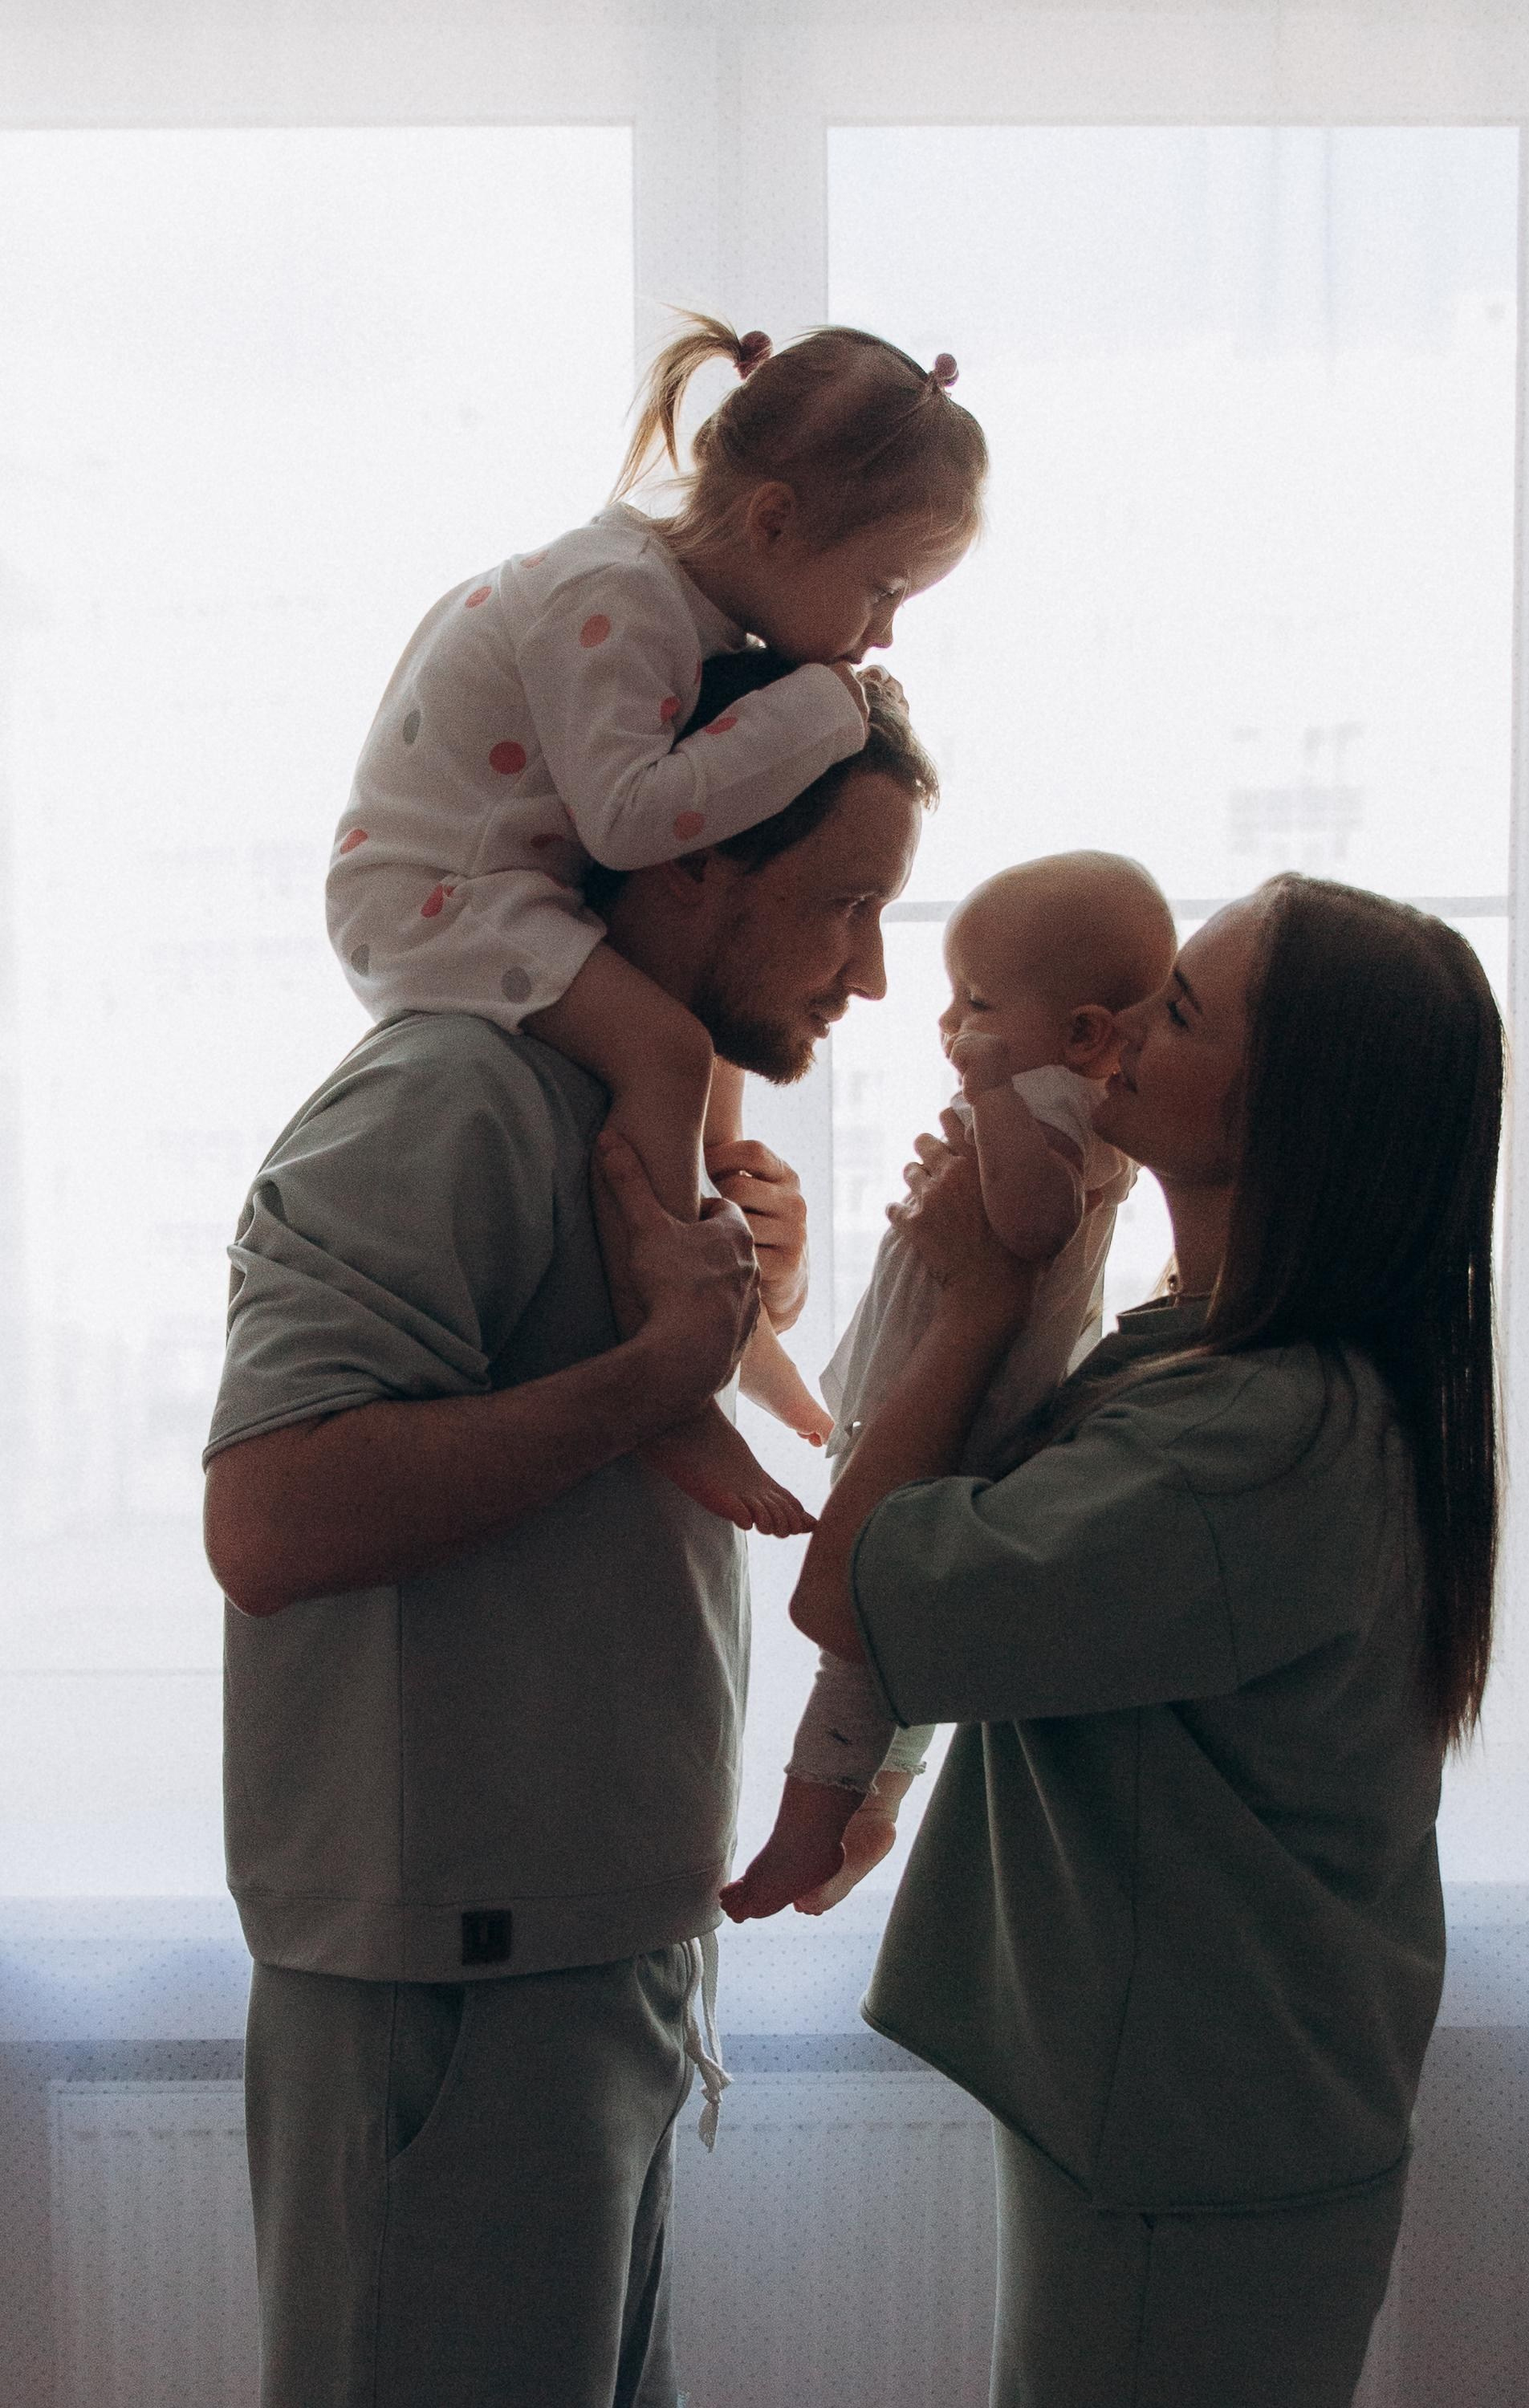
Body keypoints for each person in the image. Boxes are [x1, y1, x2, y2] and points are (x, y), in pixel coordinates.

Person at [201, 673, 937, 2408]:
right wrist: (647, 1382)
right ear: (685, 864)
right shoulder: (447, 1096)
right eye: (844, 905)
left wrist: (733, 1327)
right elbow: (270, 1515)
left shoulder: (628, 1131)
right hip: (453, 1995)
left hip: (578, 1965)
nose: (871, 972)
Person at [765, 874, 1502, 2408]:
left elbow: (859, 1588)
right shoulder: (1218, 1366)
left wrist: (977, 1299)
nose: (1116, 1036)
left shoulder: (1257, 1440)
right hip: (1199, 2122)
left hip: (1198, 2148)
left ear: (1284, 1109)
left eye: (1177, 1009)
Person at [326, 311, 986, 1531]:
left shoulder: (685, 613)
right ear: (776, 520)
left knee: (688, 1041)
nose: (884, 634)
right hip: (441, 894)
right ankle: (684, 1379)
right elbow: (636, 824)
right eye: (883, 589)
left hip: (501, 883)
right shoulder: (617, 593)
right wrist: (830, 710)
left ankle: (738, 1323)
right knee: (672, 1048)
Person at [722, 850, 1176, 1920]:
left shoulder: (1061, 1107)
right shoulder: (1049, 1097)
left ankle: (805, 1830)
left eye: (977, 1000)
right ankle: (873, 1801)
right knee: (902, 1640)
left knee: (866, 1630)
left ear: (1081, 1033)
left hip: (966, 1404)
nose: (950, 1023)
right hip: (942, 1381)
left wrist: (991, 1102)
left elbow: (1029, 1225)